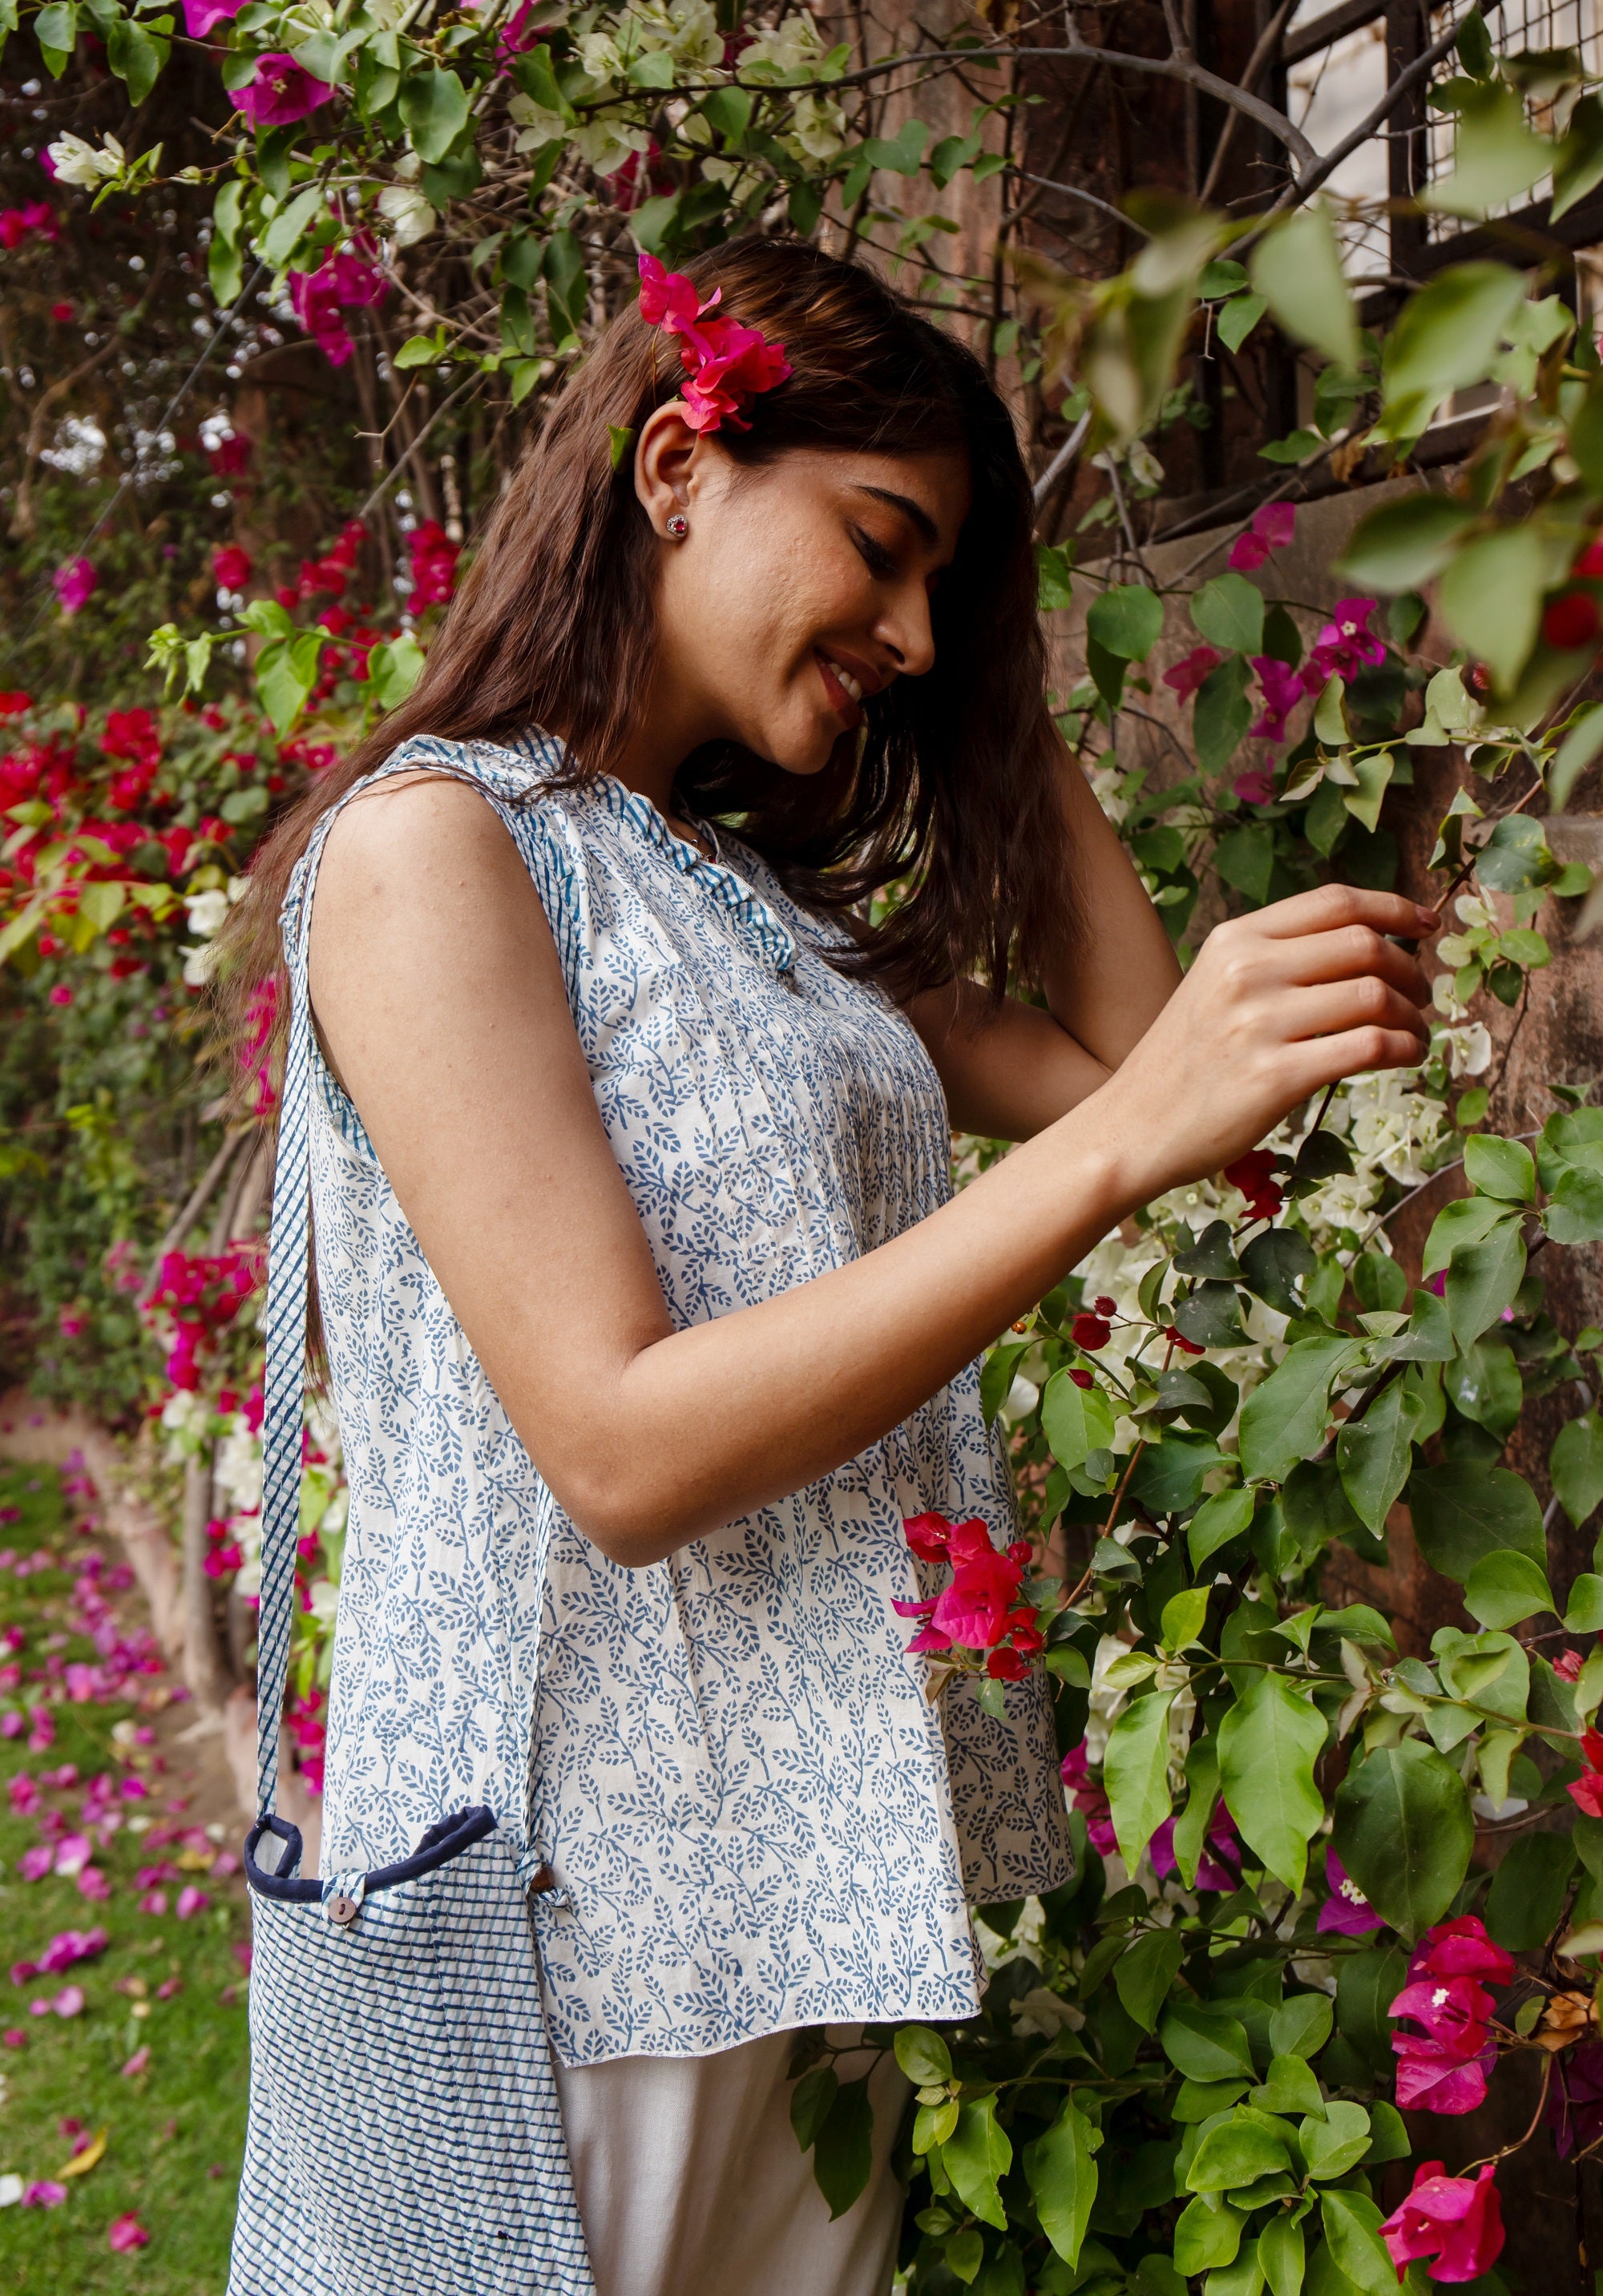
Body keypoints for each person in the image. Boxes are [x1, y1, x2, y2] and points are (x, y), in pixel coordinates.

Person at [224, 236, 1433, 2296]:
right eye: (881, 545)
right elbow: (614, 1443)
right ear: (679, 462)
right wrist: (1135, 1138)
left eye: (941, 584)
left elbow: (1148, 1072)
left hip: (817, 1896)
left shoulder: (747, 910)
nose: (906, 619)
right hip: (573, 1922)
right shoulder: (440, 852)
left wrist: (980, 693)